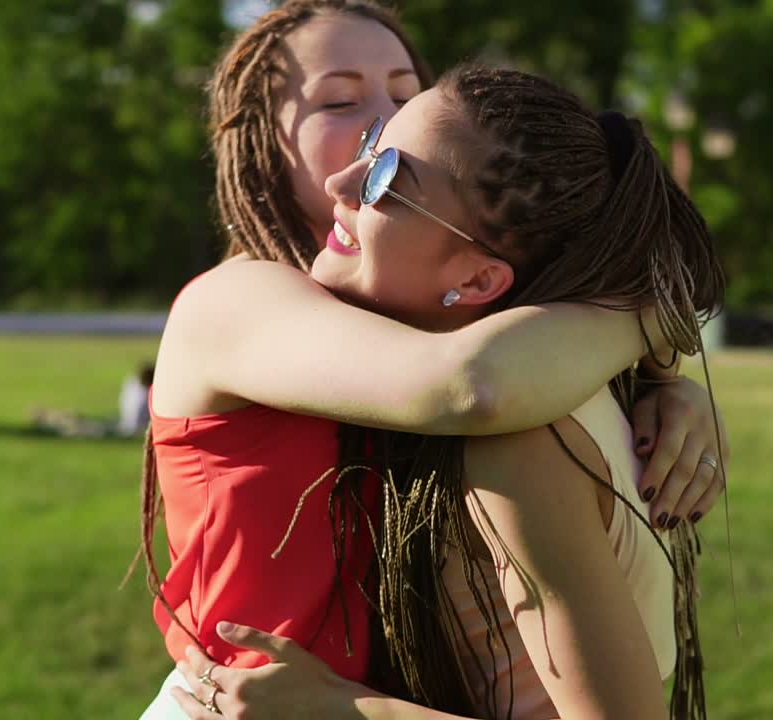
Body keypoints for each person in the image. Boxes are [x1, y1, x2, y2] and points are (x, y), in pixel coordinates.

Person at [137, 2, 728, 718]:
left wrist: (667, 384)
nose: (380, 119)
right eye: (342, 102)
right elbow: (471, 384)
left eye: (401, 94)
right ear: (263, 142)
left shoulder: (498, 365)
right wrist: (653, 312)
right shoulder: (236, 302)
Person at [31, 363, 154, 438]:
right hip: (124, 428)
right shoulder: (142, 397)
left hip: (122, 421)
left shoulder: (132, 383)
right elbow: (135, 427)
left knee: (83, 421)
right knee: (86, 427)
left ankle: (50, 415)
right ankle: (51, 419)